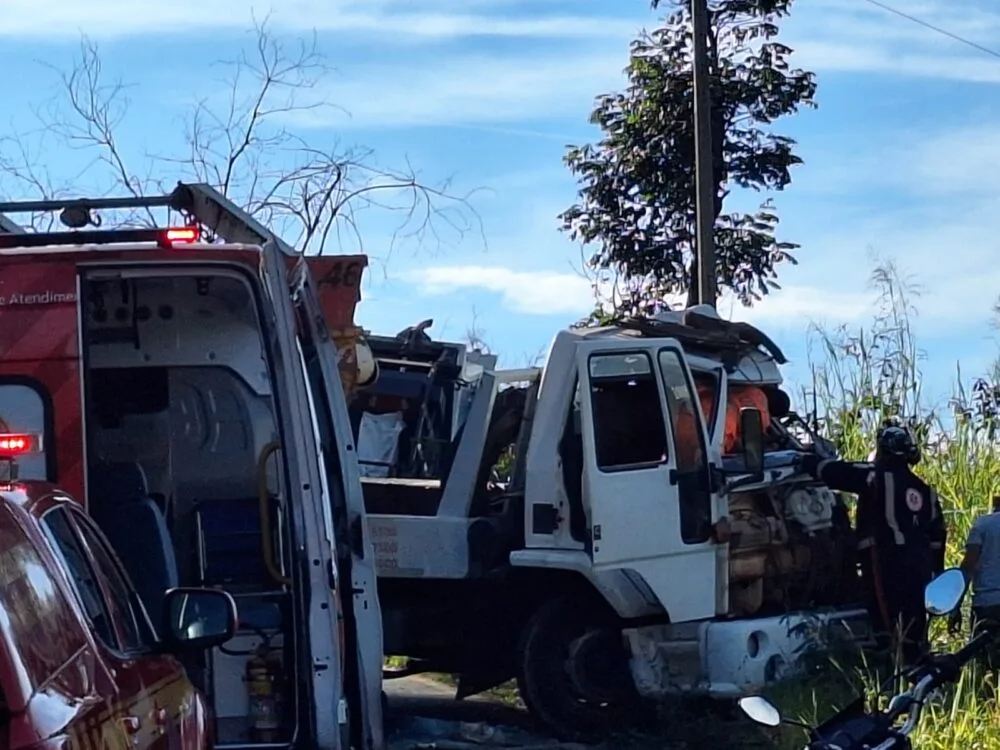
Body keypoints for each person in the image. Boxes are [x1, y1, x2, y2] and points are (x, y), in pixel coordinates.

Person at [801, 424, 946, 664]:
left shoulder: (875, 475)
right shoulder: (925, 490)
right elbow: (938, 537)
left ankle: (896, 676)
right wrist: (936, 572)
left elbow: (835, 472)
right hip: (920, 568)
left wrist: (809, 461)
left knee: (887, 623)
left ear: (883, 450)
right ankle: (920, 667)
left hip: (886, 563)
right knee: (914, 624)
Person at [951, 496, 1000, 666]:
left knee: (986, 665)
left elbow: (968, 567)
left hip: (987, 605)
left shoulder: (983, 525)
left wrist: (955, 606)